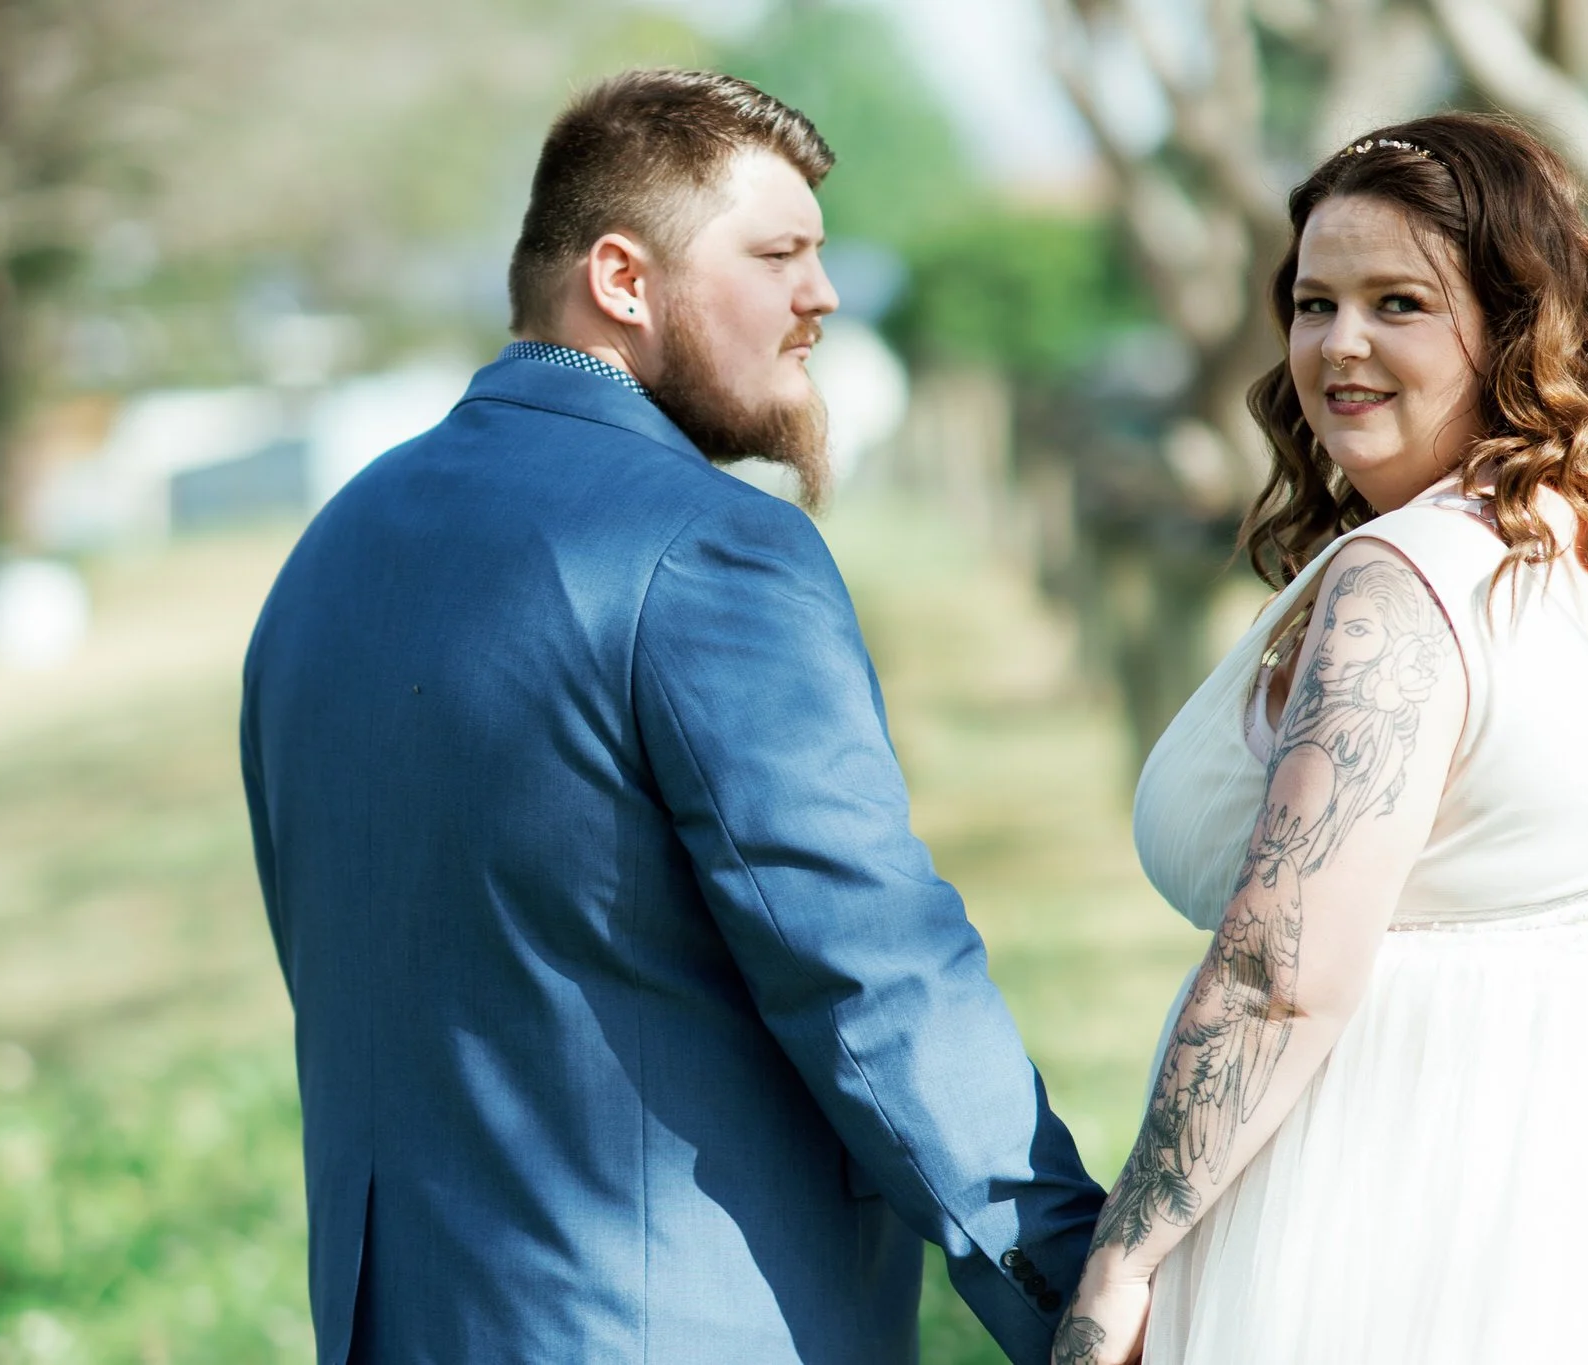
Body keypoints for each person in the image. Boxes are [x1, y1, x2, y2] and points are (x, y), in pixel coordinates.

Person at [239, 68, 1103, 1365]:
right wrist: (1082, 1295)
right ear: (624, 281)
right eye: (777, 255)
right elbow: (875, 978)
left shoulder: (323, 560)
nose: (820, 295)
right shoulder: (714, 554)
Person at [1054, 114, 1588, 1365]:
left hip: (1406, 1201)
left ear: (1513, 324)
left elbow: (1274, 972)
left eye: (1396, 303)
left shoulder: (1407, 582)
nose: (1337, 345)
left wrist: (1118, 1267)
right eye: (1311, 304)